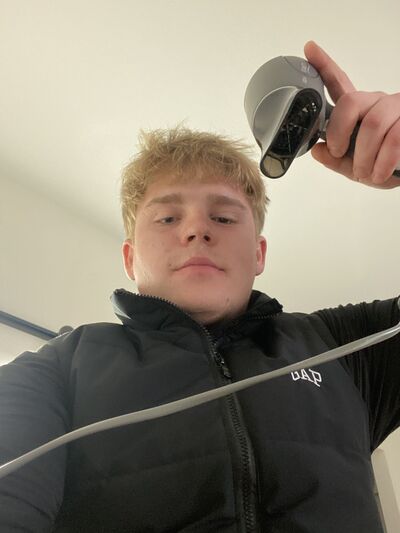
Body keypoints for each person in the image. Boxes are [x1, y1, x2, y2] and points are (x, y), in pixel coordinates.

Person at [0, 40, 399, 533]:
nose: (196, 230)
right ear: (130, 258)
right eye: (168, 217)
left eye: (224, 217)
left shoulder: (342, 348)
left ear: (259, 254)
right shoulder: (55, 371)